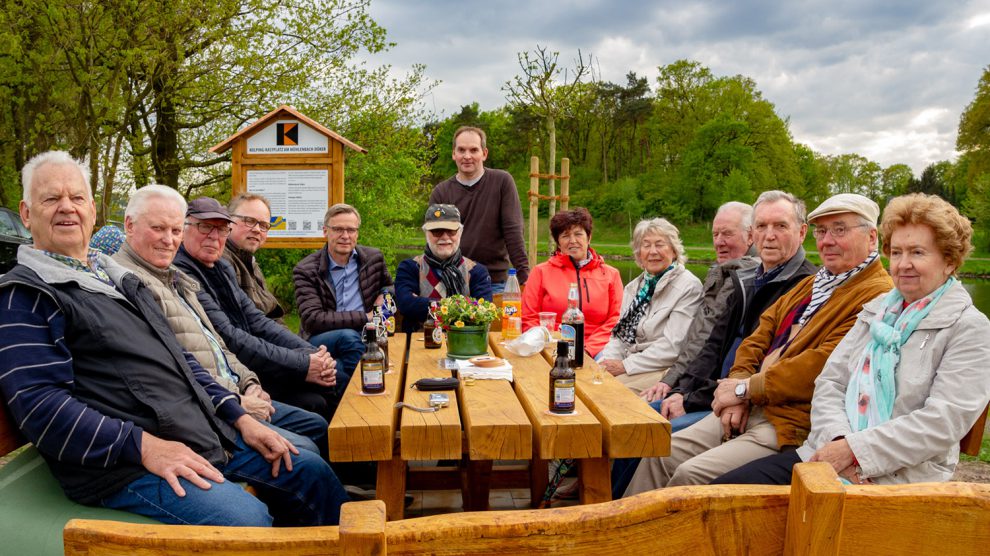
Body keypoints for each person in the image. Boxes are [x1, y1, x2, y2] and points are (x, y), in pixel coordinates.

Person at [0, 151, 348, 526]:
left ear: (92, 211)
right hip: (123, 464)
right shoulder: (25, 294)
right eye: (51, 198)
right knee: (246, 521)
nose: (67, 208)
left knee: (309, 469)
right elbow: (40, 406)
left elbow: (183, 359)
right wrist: (143, 446)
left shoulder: (117, 279)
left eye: (77, 198)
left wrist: (238, 417)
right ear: (25, 213)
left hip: (198, 430)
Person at [713, 193, 990, 486]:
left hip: (902, 478)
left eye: (917, 253)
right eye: (896, 253)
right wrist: (840, 442)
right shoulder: (879, 311)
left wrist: (856, 451)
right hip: (830, 454)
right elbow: (831, 382)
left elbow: (942, 422)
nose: (903, 264)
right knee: (721, 493)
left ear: (949, 261)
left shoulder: (969, 329)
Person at [625, 193, 893, 493]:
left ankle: (662, 537)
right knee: (659, 453)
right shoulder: (816, 282)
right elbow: (755, 339)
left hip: (786, 421)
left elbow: (820, 366)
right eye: (822, 231)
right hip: (749, 403)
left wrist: (743, 389)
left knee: (691, 474)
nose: (827, 240)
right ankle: (620, 532)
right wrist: (737, 388)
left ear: (872, 237)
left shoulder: (877, 294)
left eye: (839, 230)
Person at [611, 193, 814, 498]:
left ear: (801, 232)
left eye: (780, 226)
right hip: (719, 394)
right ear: (754, 234)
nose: (769, 235)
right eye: (763, 226)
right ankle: (616, 517)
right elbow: (714, 344)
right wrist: (680, 390)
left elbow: (774, 363)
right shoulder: (746, 279)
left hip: (753, 408)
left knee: (646, 436)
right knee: (640, 434)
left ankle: (631, 520)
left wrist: (695, 396)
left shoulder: (805, 287)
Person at [113, 185, 328, 456]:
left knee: (320, 412)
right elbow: (220, 342)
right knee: (307, 443)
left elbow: (225, 338)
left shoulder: (188, 275)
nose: (168, 239)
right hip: (214, 406)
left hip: (240, 381)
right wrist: (239, 400)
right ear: (129, 225)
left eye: (221, 230)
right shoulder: (146, 280)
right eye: (205, 228)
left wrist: (256, 380)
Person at [172, 197, 351, 421]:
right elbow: (229, 336)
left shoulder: (222, 265)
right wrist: (304, 364)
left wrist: (312, 355)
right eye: (205, 227)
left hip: (259, 359)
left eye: (221, 229)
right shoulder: (182, 273)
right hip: (237, 372)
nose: (214, 237)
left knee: (337, 376)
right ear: (183, 229)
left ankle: (365, 442)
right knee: (321, 398)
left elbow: (257, 319)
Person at [598, 217, 704, 394]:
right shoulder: (634, 288)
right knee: (589, 382)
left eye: (660, 244)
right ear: (639, 254)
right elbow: (619, 338)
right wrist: (606, 363)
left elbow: (672, 348)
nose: (653, 251)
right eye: (646, 245)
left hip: (663, 369)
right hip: (633, 363)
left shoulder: (688, 286)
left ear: (674, 250)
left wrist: (624, 366)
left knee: (610, 393)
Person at [430, 126, 529, 291]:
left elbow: (513, 231)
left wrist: (525, 277)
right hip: (452, 283)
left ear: (484, 153)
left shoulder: (502, 182)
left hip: (495, 282)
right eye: (461, 150)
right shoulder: (441, 192)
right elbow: (435, 241)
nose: (467, 156)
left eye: (473, 150)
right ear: (454, 154)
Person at [521, 207, 623, 359]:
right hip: (552, 345)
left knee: (603, 369)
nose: (573, 241)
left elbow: (617, 320)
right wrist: (552, 346)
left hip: (598, 348)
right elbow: (529, 318)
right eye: (565, 236)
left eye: (578, 234)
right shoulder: (540, 272)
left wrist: (589, 349)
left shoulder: (611, 275)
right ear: (558, 242)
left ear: (589, 238)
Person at [294, 203, 393, 349]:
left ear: (357, 233)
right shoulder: (306, 270)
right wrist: (366, 317)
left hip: (367, 332)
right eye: (338, 229)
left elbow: (389, 286)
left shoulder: (373, 258)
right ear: (325, 231)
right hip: (323, 337)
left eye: (351, 230)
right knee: (349, 338)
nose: (345, 236)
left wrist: (384, 295)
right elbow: (312, 319)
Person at [395, 203, 493, 332]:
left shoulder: (476, 271)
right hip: (418, 344)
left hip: (464, 344)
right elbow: (406, 304)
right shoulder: (410, 267)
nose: (445, 237)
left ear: (460, 232)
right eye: (437, 231)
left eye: (451, 231)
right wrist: (465, 307)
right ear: (426, 233)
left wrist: (423, 303)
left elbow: (483, 312)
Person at [224, 193, 286, 324]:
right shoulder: (222, 259)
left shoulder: (250, 262)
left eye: (263, 225)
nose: (257, 229)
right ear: (228, 221)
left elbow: (272, 315)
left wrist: (297, 343)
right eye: (249, 221)